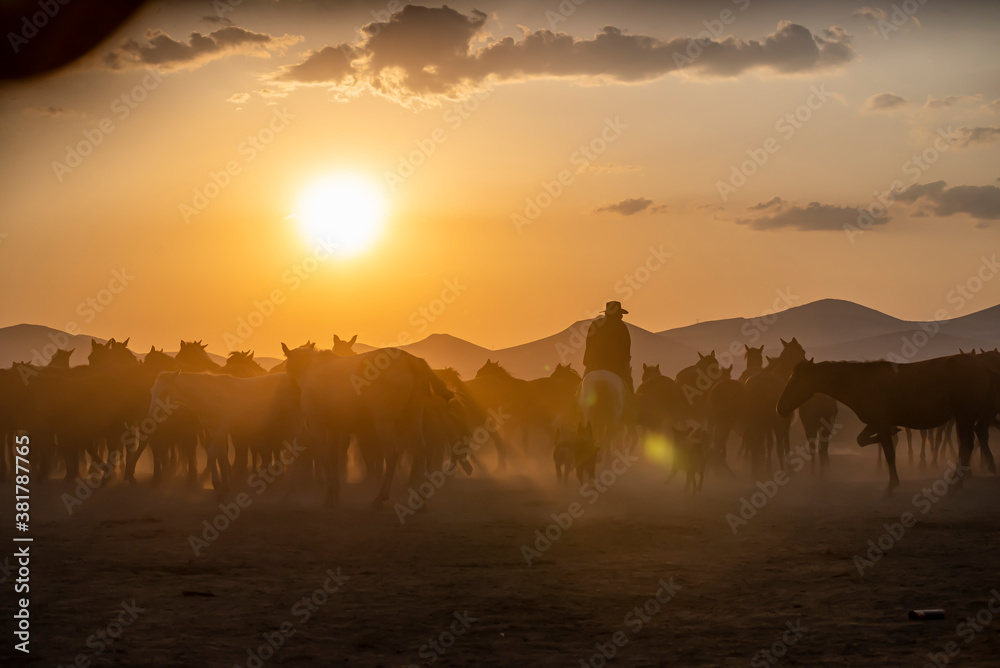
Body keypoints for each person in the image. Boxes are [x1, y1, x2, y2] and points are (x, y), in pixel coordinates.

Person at [583, 301, 634, 395]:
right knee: (628, 387)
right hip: (617, 365)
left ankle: (577, 408)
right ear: (619, 314)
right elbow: (626, 347)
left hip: (595, 364)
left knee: (581, 387)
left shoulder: (596, 324)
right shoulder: (622, 326)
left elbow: (589, 343)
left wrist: (588, 361)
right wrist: (625, 363)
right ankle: (632, 405)